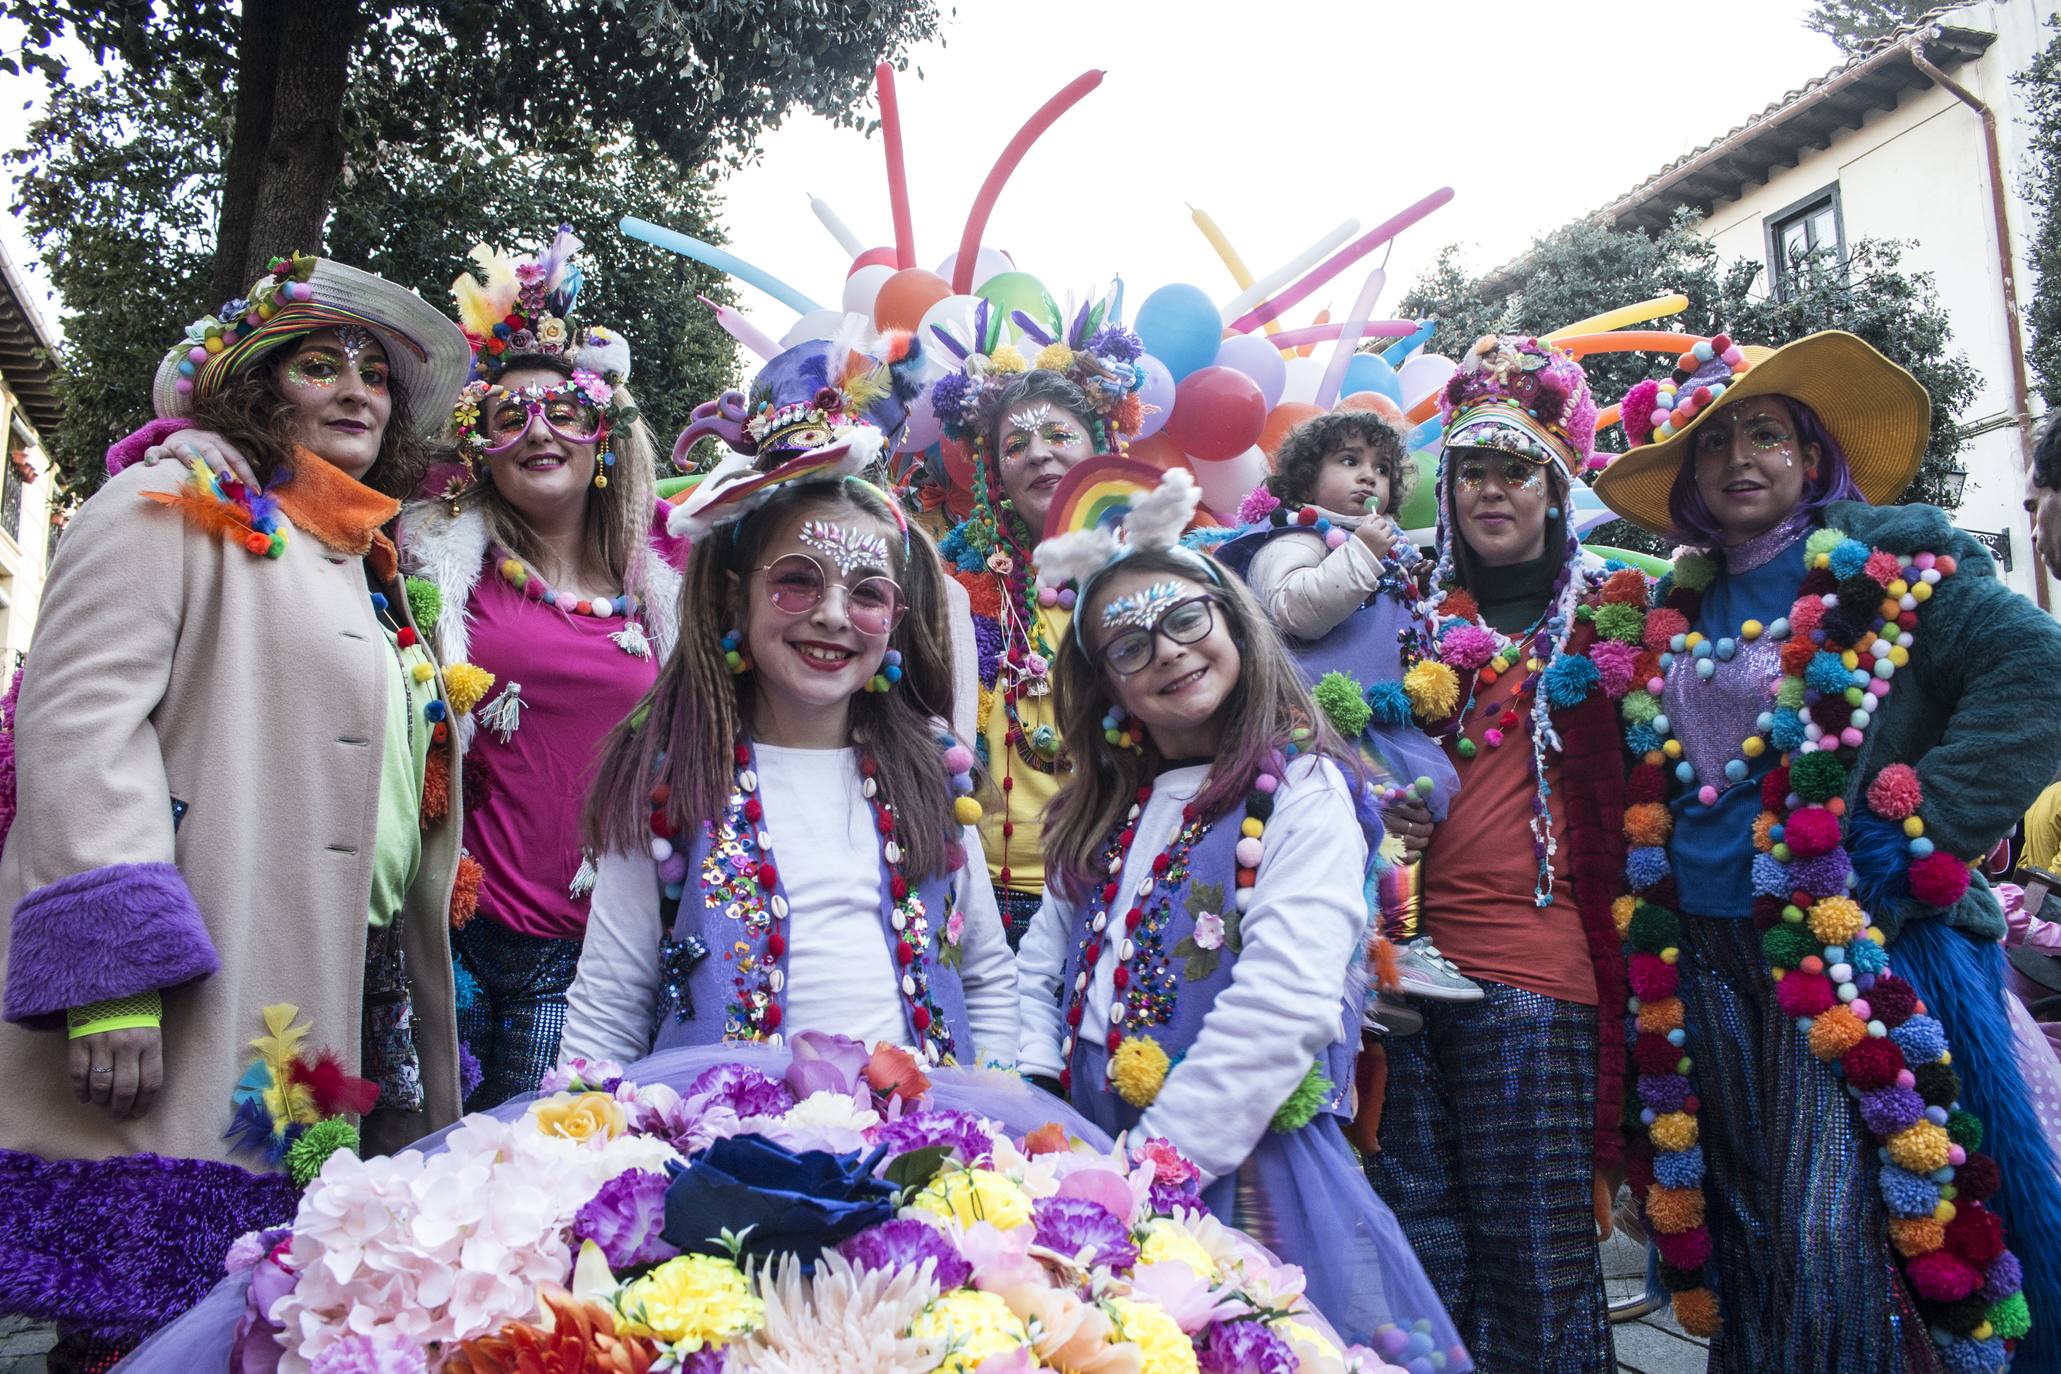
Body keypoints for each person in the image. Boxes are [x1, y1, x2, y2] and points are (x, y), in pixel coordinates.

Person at [0, 254, 472, 1364]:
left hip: (335, 996)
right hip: (196, 989)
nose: (357, 387)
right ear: (260, 391)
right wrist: (109, 977)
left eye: (376, 373)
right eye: (321, 365)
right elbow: (76, 729)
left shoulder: (363, 557)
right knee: (143, 1324)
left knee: (268, 1325)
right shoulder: (178, 495)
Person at [1594, 330, 2061, 1372]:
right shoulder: (1675, 608)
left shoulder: (1888, 570)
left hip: (1833, 950)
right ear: (1690, 481)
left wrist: (1910, 834)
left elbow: (2037, 671)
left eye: (1767, 434)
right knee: (1740, 1212)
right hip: (1697, 948)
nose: (1738, 460)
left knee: (1828, 1226)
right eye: (1712, 446)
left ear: (1812, 458)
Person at [1016, 470, 1466, 1365]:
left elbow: (1281, 1007)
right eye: (1129, 645)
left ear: (1232, 623)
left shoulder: (1304, 790)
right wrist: (1037, 1114)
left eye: (1186, 619)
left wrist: (1152, 1169)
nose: (1169, 652)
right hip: (1087, 1144)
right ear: (1106, 686)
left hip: (1239, 1160)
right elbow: (1044, 964)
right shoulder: (1102, 808)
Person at [562, 371, 1015, 1070]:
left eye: (866, 594)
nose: (832, 615)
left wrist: (1002, 1107)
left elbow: (984, 975)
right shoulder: (668, 770)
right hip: (724, 1154)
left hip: (919, 1155)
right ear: (736, 596)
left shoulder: (934, 769)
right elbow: (611, 1006)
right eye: (798, 580)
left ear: (893, 623)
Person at [1361, 336, 1632, 1374]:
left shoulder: (1614, 612)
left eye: (1515, 467)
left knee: (1540, 1262)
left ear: (1556, 486)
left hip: (1536, 975)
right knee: (1419, 1254)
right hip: (1400, 977)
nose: (1488, 489)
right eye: (1470, 467)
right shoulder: (1394, 609)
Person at [401, 227, 681, 1107]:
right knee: (430, 1177)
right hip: (454, 935)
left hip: (589, 953)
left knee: (539, 1181)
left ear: (603, 435)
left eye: (564, 413)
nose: (538, 431)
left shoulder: (666, 581)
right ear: (477, 444)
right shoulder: (426, 558)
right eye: (508, 416)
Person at [1214, 407, 1474, 1003]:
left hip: (1377, 726)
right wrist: (1359, 556)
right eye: (1349, 462)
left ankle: (1396, 954)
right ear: (1306, 478)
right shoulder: (1290, 539)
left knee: (1402, 825)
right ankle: (1351, 955)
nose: (1368, 479)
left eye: (1381, 470)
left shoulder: (1388, 556)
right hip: (1313, 731)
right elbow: (1291, 609)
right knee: (1341, 836)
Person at [927, 292, 1149, 948]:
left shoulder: (1144, 573)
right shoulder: (956, 580)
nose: (1040, 455)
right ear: (995, 471)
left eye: (1058, 436)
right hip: (980, 884)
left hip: (1105, 876)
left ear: (1098, 446)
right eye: (1017, 444)